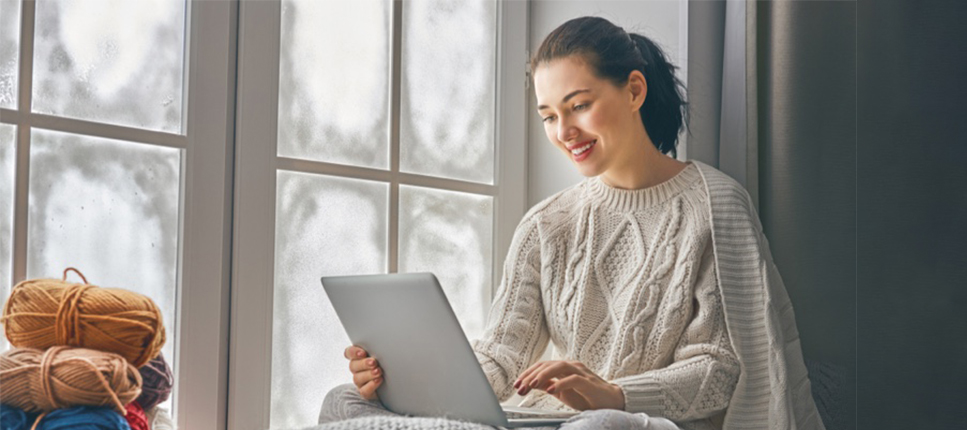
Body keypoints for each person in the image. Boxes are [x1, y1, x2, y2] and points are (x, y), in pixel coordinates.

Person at [318, 16, 824, 430]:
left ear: (634, 91)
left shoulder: (715, 205)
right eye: (549, 116)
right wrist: (405, 377)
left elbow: (720, 370)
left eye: (579, 105)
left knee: (599, 427)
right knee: (345, 402)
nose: (565, 132)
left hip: (640, 423)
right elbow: (502, 355)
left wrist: (616, 394)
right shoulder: (547, 223)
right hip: (544, 422)